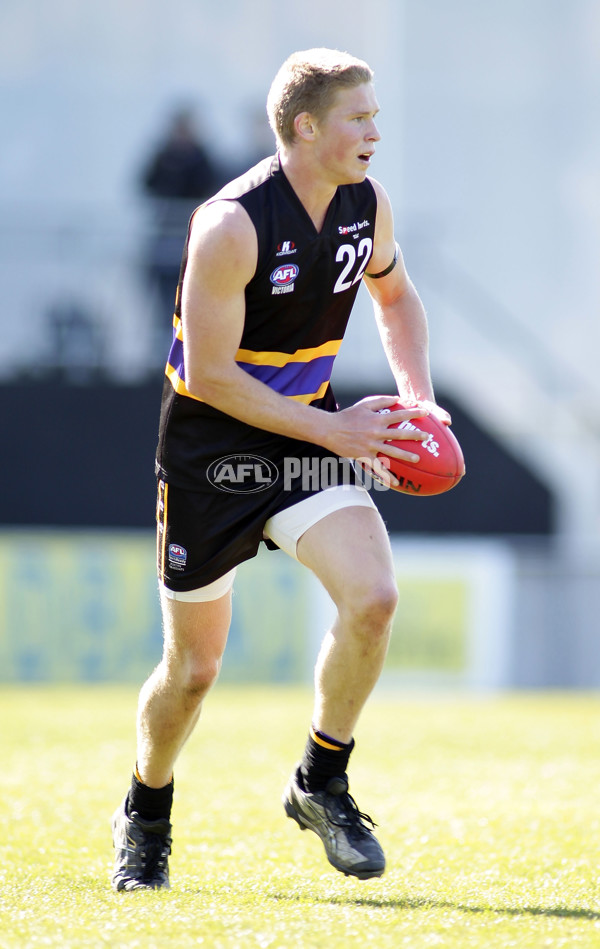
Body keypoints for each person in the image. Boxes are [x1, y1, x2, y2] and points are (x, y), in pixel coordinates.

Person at [112, 47, 451, 891]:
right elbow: (210, 376)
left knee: (373, 597)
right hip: (211, 449)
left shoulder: (365, 205)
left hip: (309, 435)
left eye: (376, 115)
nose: (377, 131)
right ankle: (146, 810)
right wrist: (334, 429)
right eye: (360, 117)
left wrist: (418, 398)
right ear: (306, 127)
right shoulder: (230, 224)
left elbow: (397, 298)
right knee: (193, 671)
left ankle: (321, 780)